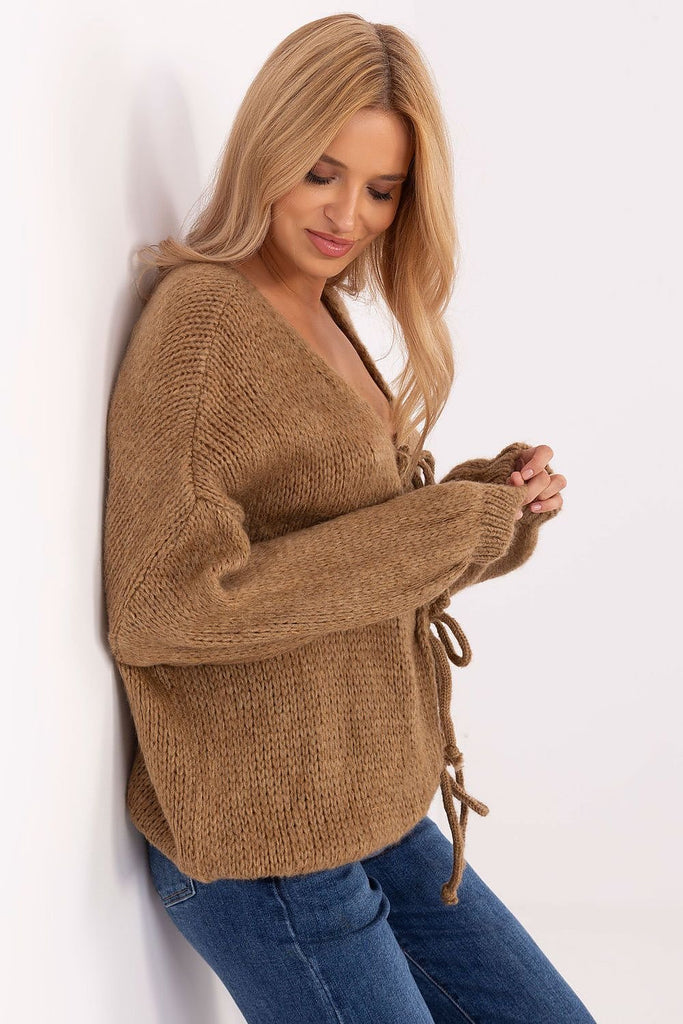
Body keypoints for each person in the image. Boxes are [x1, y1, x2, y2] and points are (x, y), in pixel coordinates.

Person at [103, 13, 596, 1023]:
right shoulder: (205, 322)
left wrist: (489, 504)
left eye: (382, 189)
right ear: (265, 150)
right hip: (267, 841)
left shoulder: (320, 307)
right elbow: (164, 605)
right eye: (320, 172)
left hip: (371, 804)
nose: (347, 214)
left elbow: (334, 540)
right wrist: (445, 528)